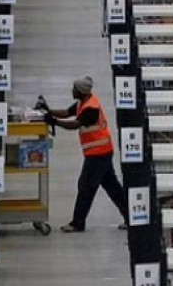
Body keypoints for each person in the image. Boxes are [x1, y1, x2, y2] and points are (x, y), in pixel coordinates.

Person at [41, 76, 128, 233]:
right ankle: (131, 218)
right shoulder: (84, 101)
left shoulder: (91, 109)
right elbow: (67, 112)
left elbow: (75, 124)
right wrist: (49, 111)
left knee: (86, 187)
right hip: (102, 152)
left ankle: (77, 223)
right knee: (113, 187)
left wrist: (54, 122)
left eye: (74, 89)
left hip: (98, 154)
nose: (72, 91)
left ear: (81, 91)